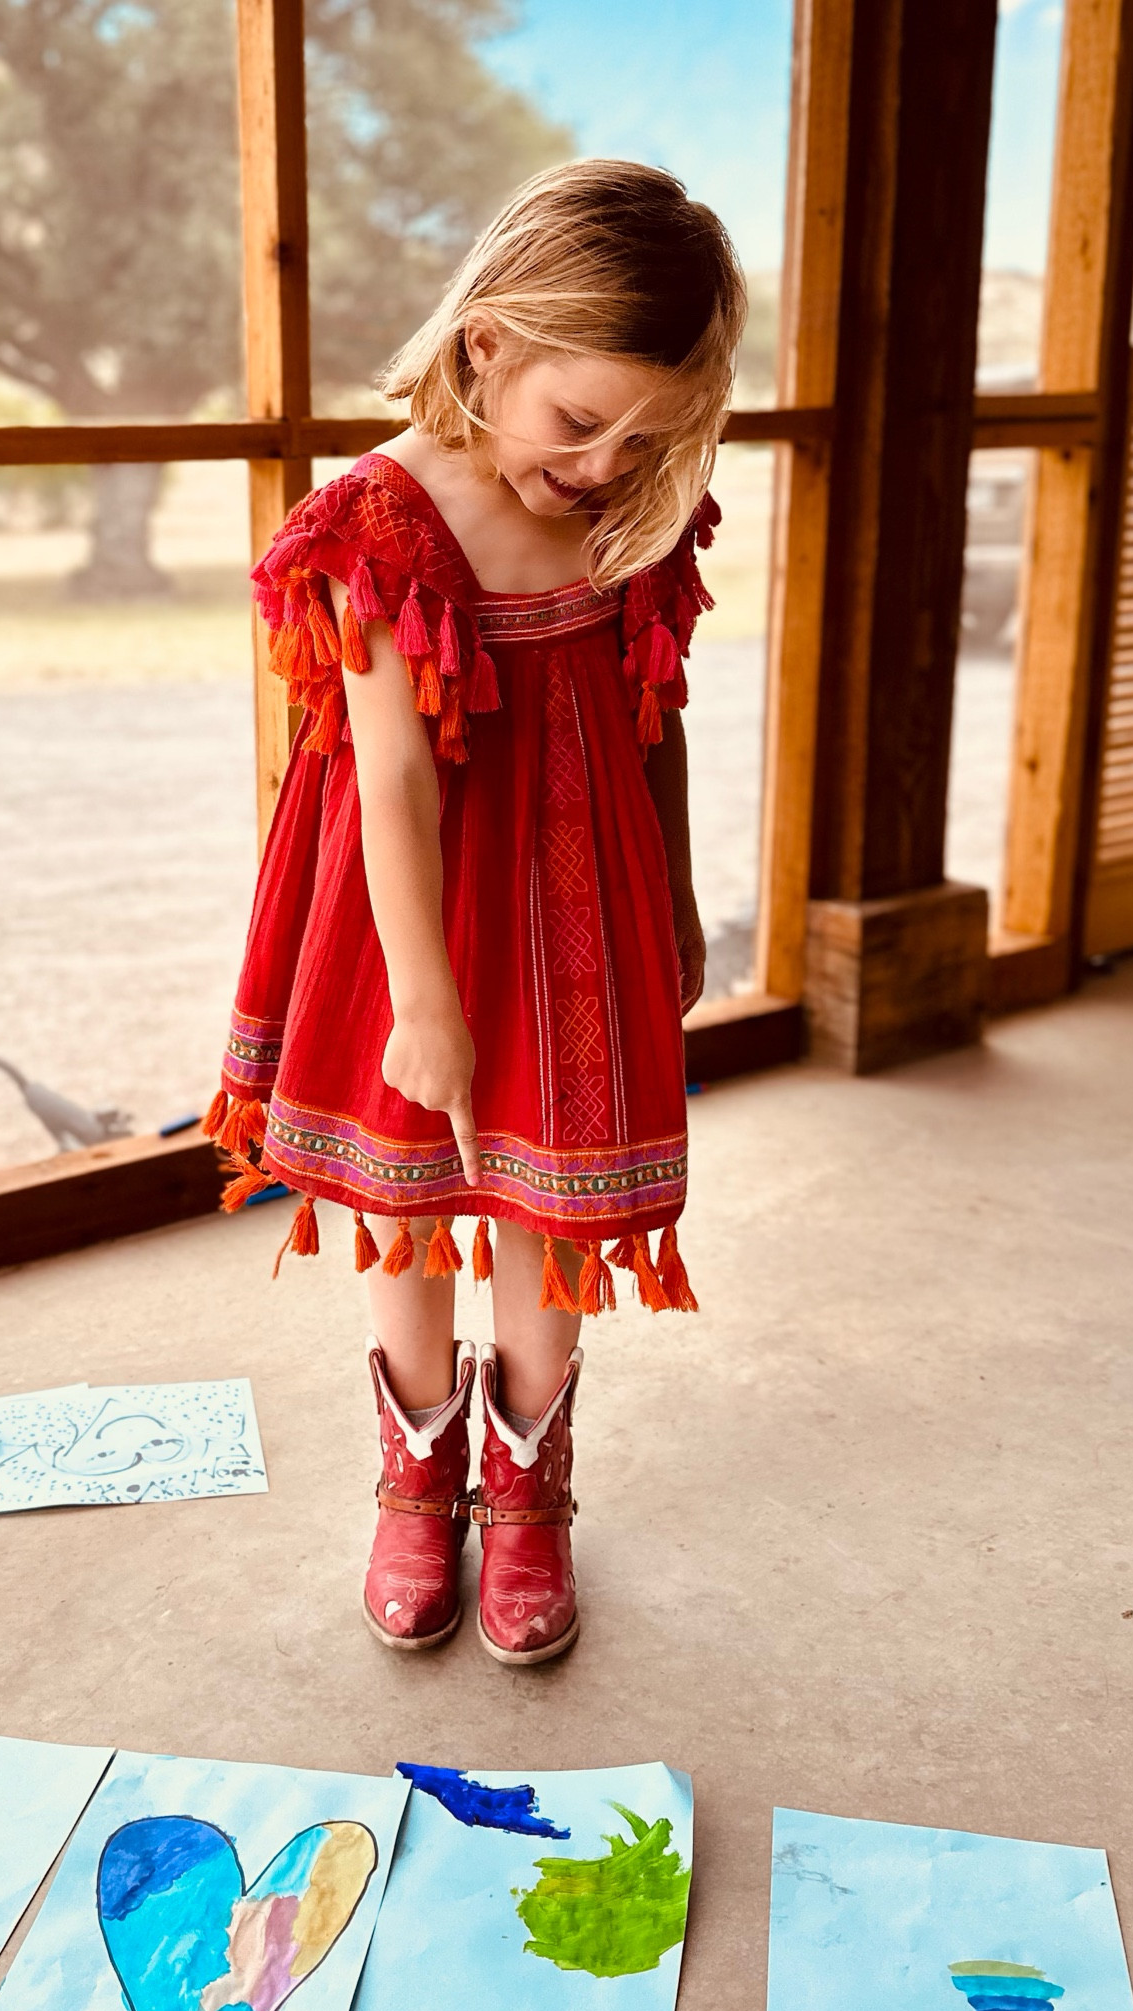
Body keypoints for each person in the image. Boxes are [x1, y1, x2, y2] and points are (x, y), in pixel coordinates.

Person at [204, 158, 746, 1665]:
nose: (602, 467)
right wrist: (427, 1005)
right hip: (411, 908)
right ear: (486, 343)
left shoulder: (631, 505)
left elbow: (657, 715)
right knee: (410, 1194)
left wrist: (683, 893)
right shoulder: (382, 517)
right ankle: (414, 1469)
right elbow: (393, 782)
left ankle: (528, 1491)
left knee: (548, 1193)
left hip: (580, 889)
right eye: (581, 425)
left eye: (646, 435)